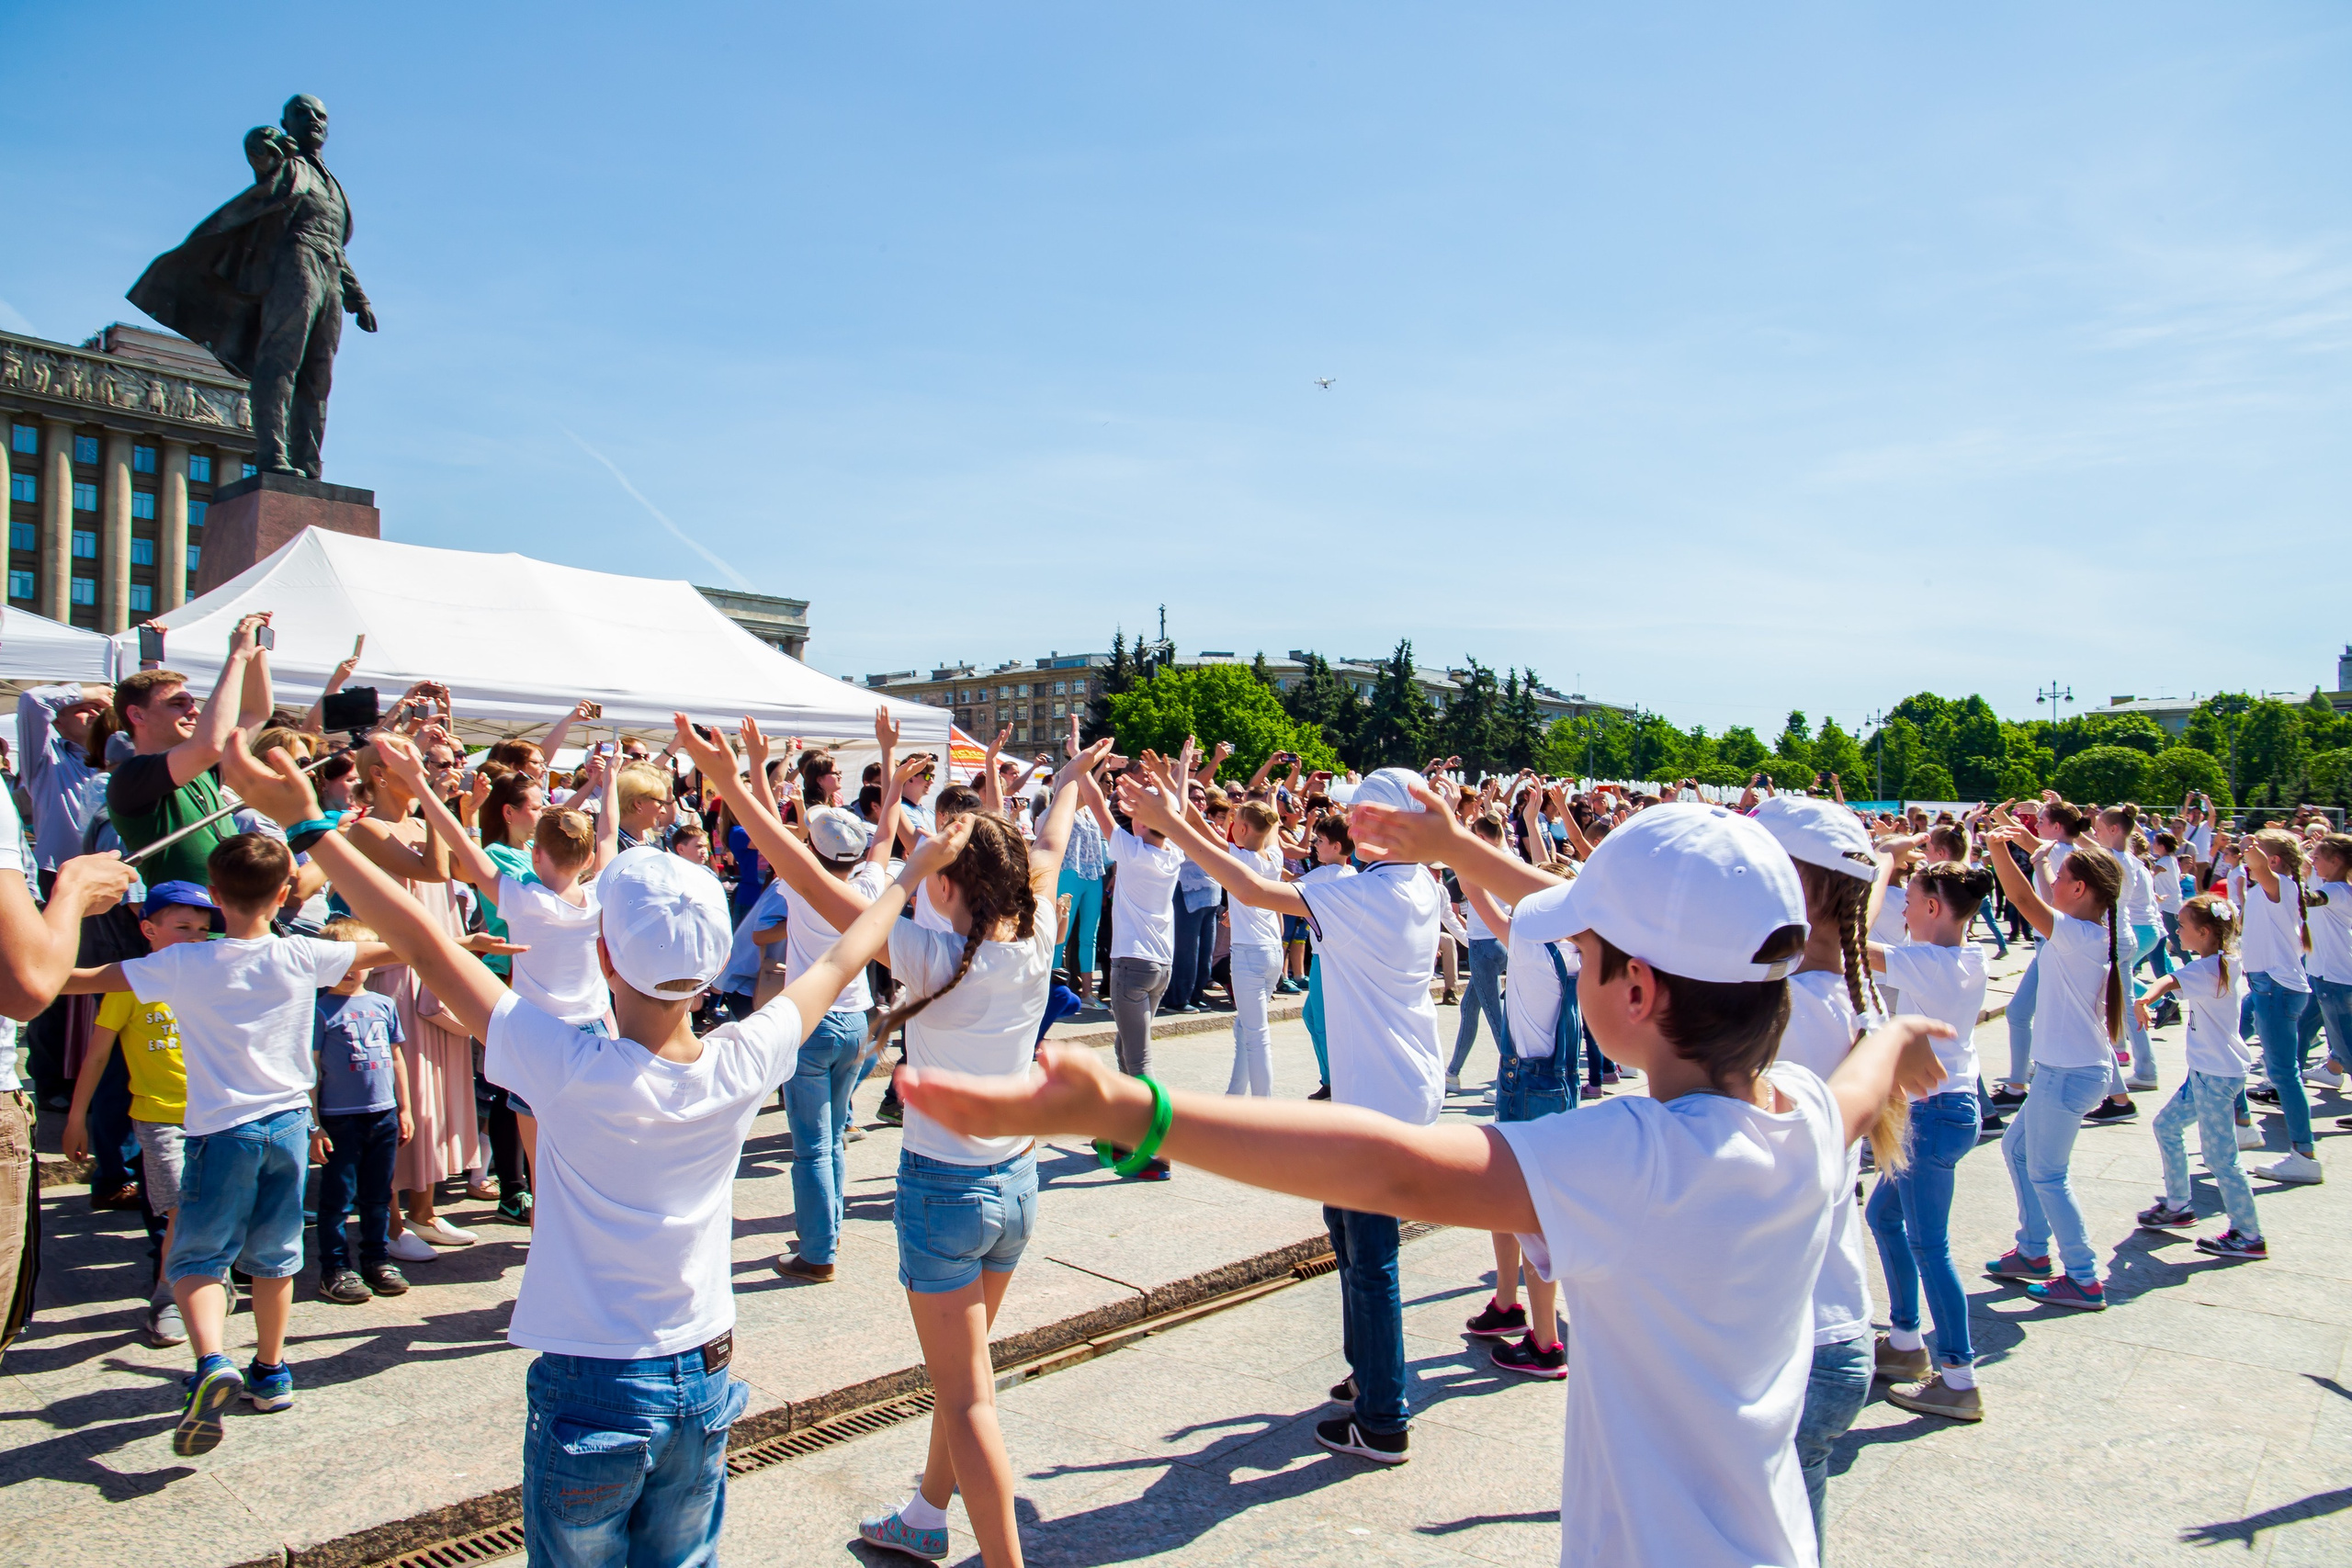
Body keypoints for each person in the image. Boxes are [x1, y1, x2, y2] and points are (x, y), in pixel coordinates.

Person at [899, 795, 1948, 1568]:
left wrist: (1130, 1111)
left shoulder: (1635, 1160)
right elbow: (1857, 1087)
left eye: (1582, 952)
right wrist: (1898, 1034)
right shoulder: (1800, 1117)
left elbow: (1388, 1164)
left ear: (1634, 989)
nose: (1571, 961)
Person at [217, 719, 968, 1565]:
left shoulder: (567, 1064)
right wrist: (908, 868)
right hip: (707, 1367)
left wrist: (311, 822)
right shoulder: (745, 1055)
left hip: (595, 1379)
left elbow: (426, 944)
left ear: (604, 950)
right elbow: (847, 953)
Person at [1122, 759, 1442, 1463]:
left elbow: (1248, 885)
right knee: (1348, 1227)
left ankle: (1384, 1415)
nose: (1351, 822)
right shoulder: (1419, 885)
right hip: (1394, 1086)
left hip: (1376, 1101)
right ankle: (1371, 1375)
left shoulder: (1368, 896)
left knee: (1371, 1252)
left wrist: (1177, 823)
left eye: (1366, 815)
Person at [62, 832, 399, 1454]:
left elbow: (75, 979)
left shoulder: (184, 960)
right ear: (281, 894)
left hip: (221, 1130)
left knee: (195, 1257)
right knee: (275, 1255)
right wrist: (465, 942)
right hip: (290, 1127)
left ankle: (213, 1359)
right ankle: (270, 1372)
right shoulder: (304, 954)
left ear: (215, 897)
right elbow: (398, 944)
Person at [677, 710, 922, 1283]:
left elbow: (765, 821)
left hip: (809, 1025)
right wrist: (888, 759)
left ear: (811, 845)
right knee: (834, 1136)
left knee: (811, 1145)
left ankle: (819, 1250)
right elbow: (886, 828)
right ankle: (826, 1229)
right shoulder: (866, 882)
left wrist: (756, 769)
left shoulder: (802, 881)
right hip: (857, 1018)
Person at [1748, 795, 1889, 1543]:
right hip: (1829, 1328)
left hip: (1798, 1342)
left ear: (1798, 890)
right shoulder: (1836, 995)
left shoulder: (1792, 1011)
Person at [1863, 861, 1994, 1421]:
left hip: (1933, 1112)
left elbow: (1850, 943)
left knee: (1929, 1246)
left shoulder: (1923, 960)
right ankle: (1904, 1341)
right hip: (1952, 1108)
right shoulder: (1969, 957)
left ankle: (1958, 1376)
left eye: (1910, 901)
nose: (1904, 910)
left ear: (1934, 908)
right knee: (1884, 1218)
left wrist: (1881, 868)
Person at [61, 881, 217, 1346]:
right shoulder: (129, 980)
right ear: (148, 929)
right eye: (182, 926)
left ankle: (207, 1280)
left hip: (216, 1116)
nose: (194, 937)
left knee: (212, 1209)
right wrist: (76, 1119)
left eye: (203, 929)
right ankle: (167, 1296)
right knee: (179, 1212)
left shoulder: (215, 976)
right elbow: (96, 1056)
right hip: (159, 1118)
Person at [1983, 819, 2126, 1311]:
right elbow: (2044, 896)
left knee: (2047, 1173)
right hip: (2066, 1071)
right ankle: (2033, 1253)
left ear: (2080, 888)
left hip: (2069, 1075)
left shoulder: (2077, 935)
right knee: (2018, 1150)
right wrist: (2035, 852)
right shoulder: (2087, 930)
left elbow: (2026, 903)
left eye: (2062, 878)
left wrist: (1998, 849)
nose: (2055, 885)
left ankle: (2083, 1277)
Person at [2133, 894, 2267, 1258]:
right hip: (2210, 1073)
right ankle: (2178, 1207)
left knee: (2221, 1157)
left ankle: (2248, 1233)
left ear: (2205, 932)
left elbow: (2165, 981)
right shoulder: (2223, 961)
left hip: (2215, 1075)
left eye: (2183, 926)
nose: (2177, 930)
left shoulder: (2209, 969)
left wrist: (2143, 1000)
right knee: (2167, 1126)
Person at [311, 914, 414, 1303]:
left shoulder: (383, 1005)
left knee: (378, 1193)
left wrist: (404, 1109)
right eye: (341, 963)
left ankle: (377, 1259)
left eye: (358, 962)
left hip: (382, 1114)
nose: (351, 972)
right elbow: (312, 1071)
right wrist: (314, 1125)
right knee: (337, 1197)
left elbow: (397, 1058)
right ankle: (334, 1267)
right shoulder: (319, 1010)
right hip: (339, 1119)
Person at [1102, 761, 1186, 1163]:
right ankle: (1125, 1132)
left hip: (1131, 967)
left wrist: (1083, 764)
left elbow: (1098, 808)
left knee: (1139, 1061)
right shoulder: (1174, 854)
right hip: (1160, 968)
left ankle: (1158, 1147)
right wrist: (1169, 779)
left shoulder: (1132, 851)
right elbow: (1178, 811)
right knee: (1125, 1048)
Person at [2238, 829, 2322, 1184]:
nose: (2246, 857)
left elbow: (2257, 864)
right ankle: (2241, 1124)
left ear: (2271, 861)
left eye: (2257, 854)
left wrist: (2249, 848)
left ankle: (2304, 1154)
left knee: (2284, 1074)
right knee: (2232, 1049)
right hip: (2265, 987)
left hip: (2275, 989)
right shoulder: (2269, 890)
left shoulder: (2282, 886)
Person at [1220, 800, 1289, 1096]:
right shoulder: (1274, 857)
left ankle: (1264, 1111)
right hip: (1273, 951)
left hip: (1249, 954)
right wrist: (1271, 798)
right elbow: (1271, 831)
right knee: (1245, 1029)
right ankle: (1233, 1099)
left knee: (1257, 1036)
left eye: (1234, 820)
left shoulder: (1238, 857)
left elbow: (1198, 830)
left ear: (1244, 828)